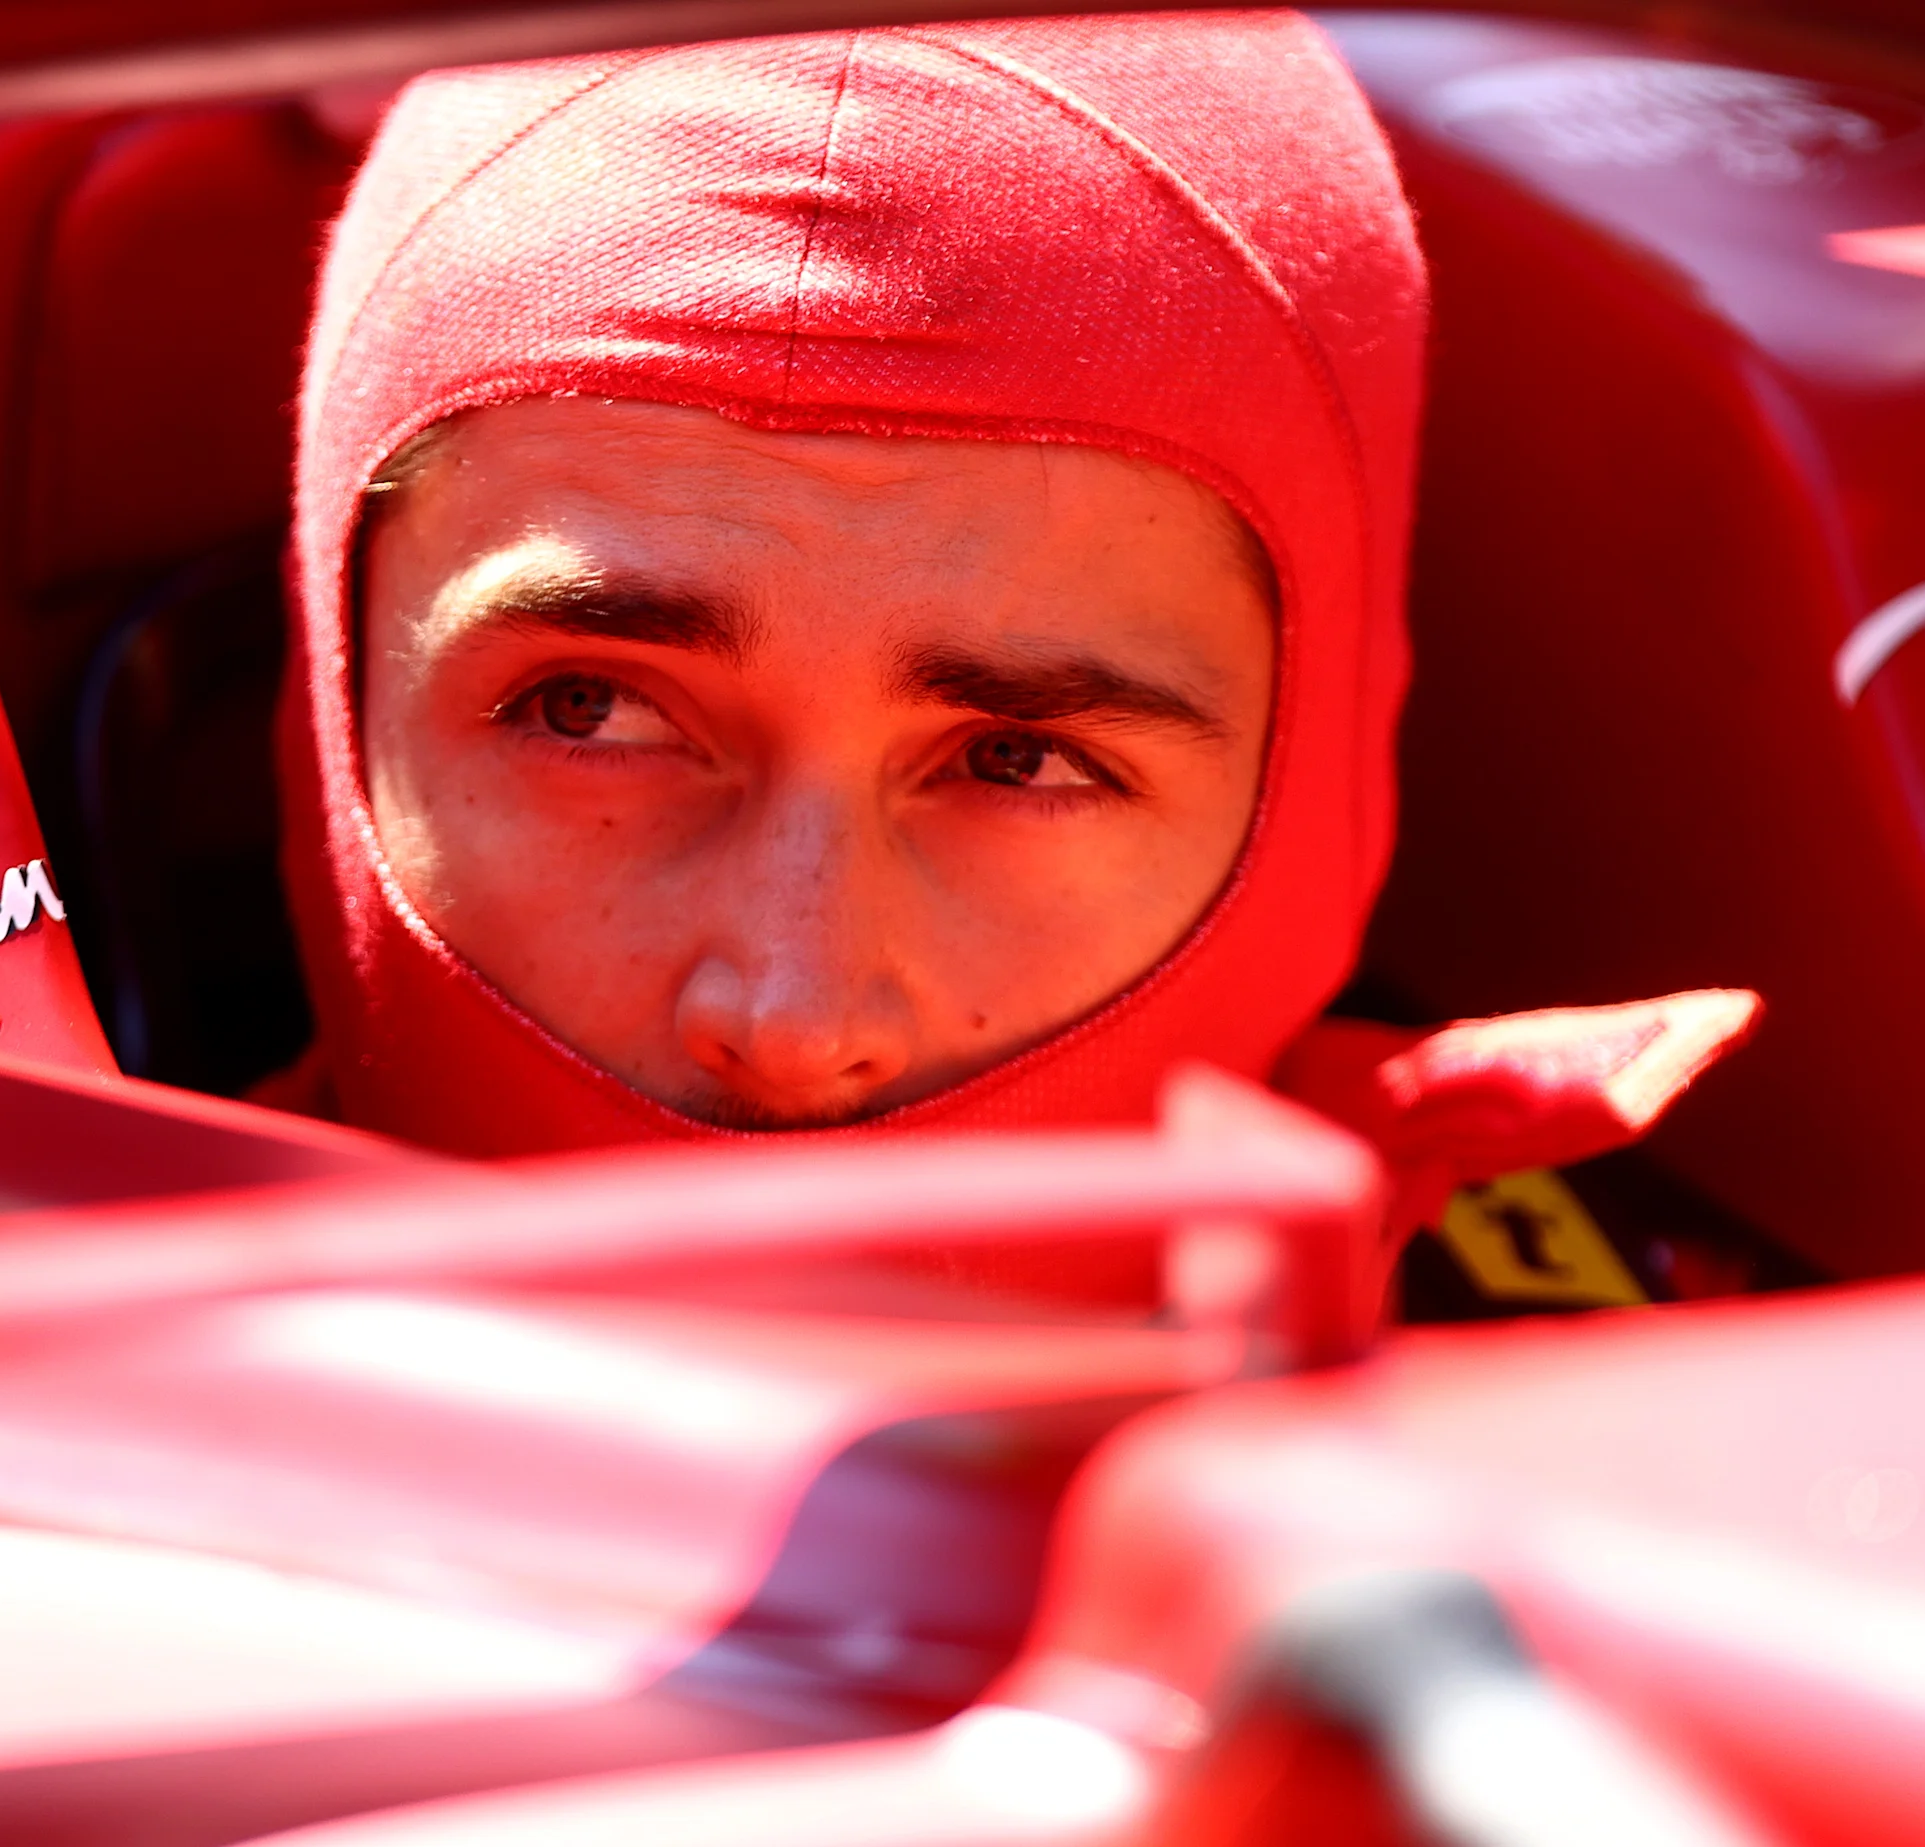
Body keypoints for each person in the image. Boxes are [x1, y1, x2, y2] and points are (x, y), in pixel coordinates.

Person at [263, 12, 1755, 1191]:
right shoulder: (99, 1323)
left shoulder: (1669, 1402)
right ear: (335, 708)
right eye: (588, 713)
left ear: (1315, 791)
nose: (793, 1023)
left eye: (1017, 759)